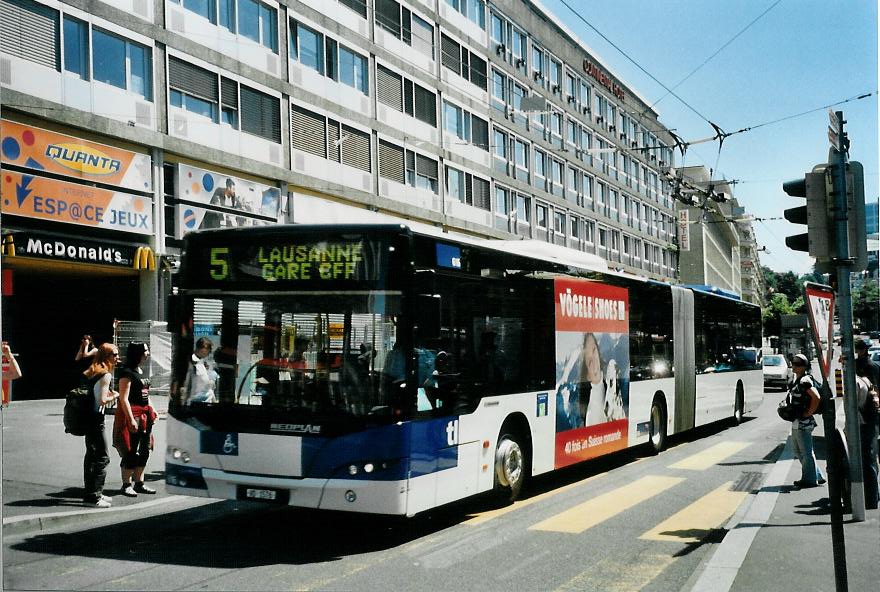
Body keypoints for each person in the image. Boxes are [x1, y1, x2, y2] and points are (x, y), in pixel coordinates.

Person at [113, 342, 158, 497]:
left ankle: (139, 483)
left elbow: (146, 394)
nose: (148, 353)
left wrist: (153, 408)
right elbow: (123, 398)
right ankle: (126, 484)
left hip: (145, 415)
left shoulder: (141, 370)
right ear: (138, 353)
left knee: (145, 450)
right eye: (146, 350)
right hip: (134, 415)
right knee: (131, 451)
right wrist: (130, 418)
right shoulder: (127, 372)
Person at [82, 343, 119, 508]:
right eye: (115, 355)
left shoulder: (93, 370)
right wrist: (115, 395)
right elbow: (102, 400)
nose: (118, 358)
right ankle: (95, 496)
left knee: (91, 456)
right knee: (103, 457)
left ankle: (91, 493)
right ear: (107, 356)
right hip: (96, 418)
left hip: (87, 416)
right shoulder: (105, 374)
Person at [787, 353, 825, 489]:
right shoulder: (797, 379)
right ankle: (816, 475)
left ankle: (809, 480)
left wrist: (808, 412)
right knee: (798, 450)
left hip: (804, 422)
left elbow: (816, 397)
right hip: (798, 421)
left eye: (797, 364)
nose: (794, 366)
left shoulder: (805, 381)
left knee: (805, 452)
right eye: (793, 362)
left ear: (804, 366)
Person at [851, 355, 880, 509]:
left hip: (862, 425)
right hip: (871, 423)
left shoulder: (855, 383)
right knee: (871, 460)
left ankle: (871, 500)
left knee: (866, 462)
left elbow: (853, 407)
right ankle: (874, 496)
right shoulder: (866, 381)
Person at [184, 337, 217, 404]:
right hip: (196, 398)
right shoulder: (192, 361)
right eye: (209, 350)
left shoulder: (201, 361)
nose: (209, 353)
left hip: (205, 397)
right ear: (203, 348)